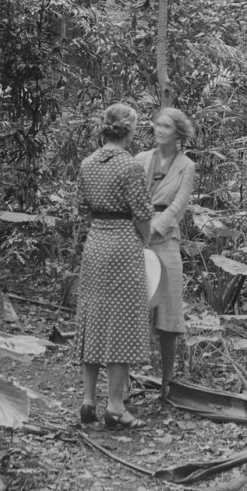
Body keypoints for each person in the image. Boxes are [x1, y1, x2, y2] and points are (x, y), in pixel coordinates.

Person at [75, 102, 152, 430]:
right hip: (123, 245)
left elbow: (81, 208)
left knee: (93, 318)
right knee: (121, 321)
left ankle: (88, 401)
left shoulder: (87, 163)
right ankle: (116, 406)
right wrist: (143, 243)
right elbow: (143, 215)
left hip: (95, 245)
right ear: (129, 129)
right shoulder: (131, 166)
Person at [134, 107, 197, 399]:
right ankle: (121, 383)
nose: (159, 130)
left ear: (178, 133)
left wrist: (152, 232)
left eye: (166, 126)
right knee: (134, 310)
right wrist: (138, 232)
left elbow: (178, 206)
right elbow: (129, 198)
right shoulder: (139, 159)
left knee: (169, 314)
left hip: (166, 238)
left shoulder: (187, 165)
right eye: (157, 125)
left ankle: (167, 382)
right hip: (134, 237)